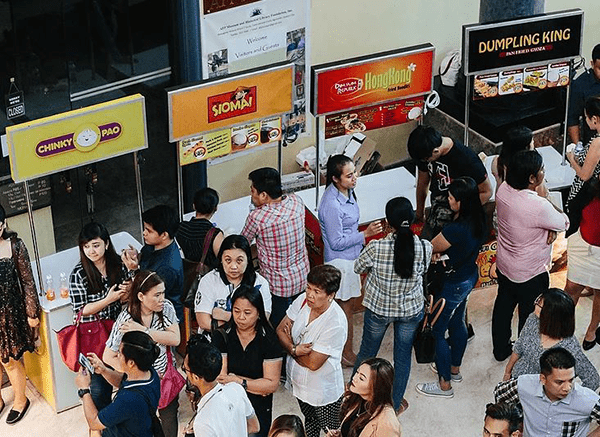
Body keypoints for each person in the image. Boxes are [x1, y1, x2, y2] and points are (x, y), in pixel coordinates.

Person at [353, 197, 431, 414]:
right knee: (403, 357)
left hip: (378, 309)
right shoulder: (425, 247)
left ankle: (354, 396)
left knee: (367, 353)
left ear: (388, 222)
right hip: (409, 311)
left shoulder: (376, 247)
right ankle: (393, 406)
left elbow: (358, 267)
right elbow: (423, 271)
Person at [492, 150, 570, 361]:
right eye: (541, 169)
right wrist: (550, 222)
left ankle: (500, 350)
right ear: (532, 178)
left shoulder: (504, 190)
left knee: (503, 307)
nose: (544, 171)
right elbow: (564, 222)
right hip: (530, 273)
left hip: (505, 264)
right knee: (529, 316)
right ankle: (524, 355)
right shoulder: (538, 205)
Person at [415, 177, 486, 398]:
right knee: (458, 322)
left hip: (450, 284)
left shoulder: (456, 229)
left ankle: (444, 384)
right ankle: (455, 369)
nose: (448, 200)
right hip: (468, 276)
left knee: (437, 331)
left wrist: (436, 253)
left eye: (452, 198)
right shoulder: (480, 219)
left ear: (461, 202)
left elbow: (430, 246)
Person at [318, 154, 383, 366]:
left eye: (354, 173)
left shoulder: (348, 192)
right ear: (336, 179)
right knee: (345, 310)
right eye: (348, 175)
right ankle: (347, 353)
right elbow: (336, 242)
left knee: (348, 308)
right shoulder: (332, 204)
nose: (354, 178)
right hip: (341, 263)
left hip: (352, 257)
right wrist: (365, 234)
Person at [103, 270, 181, 437]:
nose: (162, 299)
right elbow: (108, 355)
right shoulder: (126, 318)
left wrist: (144, 331)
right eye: (157, 295)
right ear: (141, 296)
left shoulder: (165, 308)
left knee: (169, 421)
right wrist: (133, 374)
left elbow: (175, 339)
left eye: (163, 293)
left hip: (164, 378)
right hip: (139, 387)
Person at [69, 222, 129, 428]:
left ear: (106, 243)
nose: (91, 251)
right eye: (86, 247)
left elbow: (128, 296)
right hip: (93, 339)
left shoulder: (118, 264)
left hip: (118, 333)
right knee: (99, 391)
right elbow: (80, 309)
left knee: (125, 383)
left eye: (95, 245)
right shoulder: (79, 273)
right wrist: (109, 299)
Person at [276, 265, 347, 437]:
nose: (310, 294)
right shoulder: (302, 301)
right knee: (310, 421)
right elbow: (280, 330)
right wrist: (295, 349)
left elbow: (314, 363)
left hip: (323, 390)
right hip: (299, 384)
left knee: (332, 431)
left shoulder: (335, 322)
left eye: (316, 291)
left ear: (331, 295)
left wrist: (291, 348)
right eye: (308, 287)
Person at [242, 167, 309, 329]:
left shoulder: (257, 217)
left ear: (264, 195)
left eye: (253, 191)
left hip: (277, 286)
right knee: (299, 323)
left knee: (279, 328)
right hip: (302, 278)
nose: (251, 195)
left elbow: (243, 242)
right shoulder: (296, 202)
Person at [212, 284, 283, 437]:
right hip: (229, 406)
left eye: (247, 312)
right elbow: (221, 379)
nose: (241, 317)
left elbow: (271, 384)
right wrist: (256, 385)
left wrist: (238, 381)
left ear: (258, 313)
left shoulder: (269, 339)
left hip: (259, 408)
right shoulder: (222, 335)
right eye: (236, 311)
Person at [407, 125, 492, 240]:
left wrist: (461, 214)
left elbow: (487, 192)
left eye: (426, 160)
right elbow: (423, 183)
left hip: (460, 217)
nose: (425, 162)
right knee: (427, 245)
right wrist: (419, 212)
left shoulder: (467, 159)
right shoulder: (425, 152)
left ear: (435, 151)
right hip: (437, 211)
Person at [502, 288, 599, 390]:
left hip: (539, 394)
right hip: (517, 380)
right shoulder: (533, 319)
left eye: (540, 305)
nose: (535, 304)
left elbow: (592, 380)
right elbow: (519, 346)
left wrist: (565, 401)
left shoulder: (569, 347)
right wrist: (507, 372)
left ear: (552, 316)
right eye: (538, 300)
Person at [495, 347, 600, 437]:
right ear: (543, 379)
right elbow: (500, 393)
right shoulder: (524, 386)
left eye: (571, 380)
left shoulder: (588, 400)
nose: (567, 387)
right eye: (560, 382)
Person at [75, 331, 161, 436]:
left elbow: (94, 423)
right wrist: (103, 370)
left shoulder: (128, 399)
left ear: (131, 363)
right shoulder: (149, 373)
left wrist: (84, 390)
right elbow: (122, 381)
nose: (117, 355)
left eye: (120, 353)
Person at [0, 204, 40, 424]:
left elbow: (27, 281)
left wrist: (32, 312)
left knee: (10, 362)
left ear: (4, 224)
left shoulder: (14, 245)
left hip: (10, 315)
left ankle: (20, 400)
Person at [565, 97, 600, 347]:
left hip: (591, 206)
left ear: (594, 119)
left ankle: (564, 332)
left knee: (572, 286)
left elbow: (585, 175)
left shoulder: (598, 141)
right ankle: (591, 332)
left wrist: (571, 159)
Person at [194, 234, 271, 334]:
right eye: (228, 260)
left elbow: (262, 320)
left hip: (249, 339)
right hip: (215, 338)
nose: (233, 266)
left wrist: (225, 316)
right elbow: (204, 322)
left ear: (248, 260)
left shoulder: (260, 283)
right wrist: (244, 319)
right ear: (221, 259)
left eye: (239, 260)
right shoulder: (209, 280)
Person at [184, 336, 259, 437]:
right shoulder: (236, 389)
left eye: (185, 370)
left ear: (196, 377)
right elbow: (254, 426)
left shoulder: (202, 422)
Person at [122, 205, 185, 322]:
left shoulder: (168, 267)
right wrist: (137, 256)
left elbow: (146, 294)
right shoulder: (155, 245)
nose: (144, 233)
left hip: (161, 316)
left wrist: (133, 270)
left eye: (149, 230)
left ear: (164, 235)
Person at [565, 177, 600, 349]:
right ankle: (564, 332)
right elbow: (572, 205)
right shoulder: (590, 185)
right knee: (571, 289)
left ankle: (592, 330)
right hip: (581, 245)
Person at [326, 358, 401, 437]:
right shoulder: (356, 398)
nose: (354, 378)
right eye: (357, 372)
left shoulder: (387, 423)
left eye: (361, 378)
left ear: (376, 387)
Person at [176, 187, 224, 267]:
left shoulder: (181, 227)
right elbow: (223, 260)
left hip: (187, 275)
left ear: (194, 206)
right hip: (208, 277)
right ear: (215, 208)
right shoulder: (214, 234)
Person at [568, 44, 600, 145]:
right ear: (592, 64)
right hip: (592, 143)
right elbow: (573, 119)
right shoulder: (580, 85)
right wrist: (578, 148)